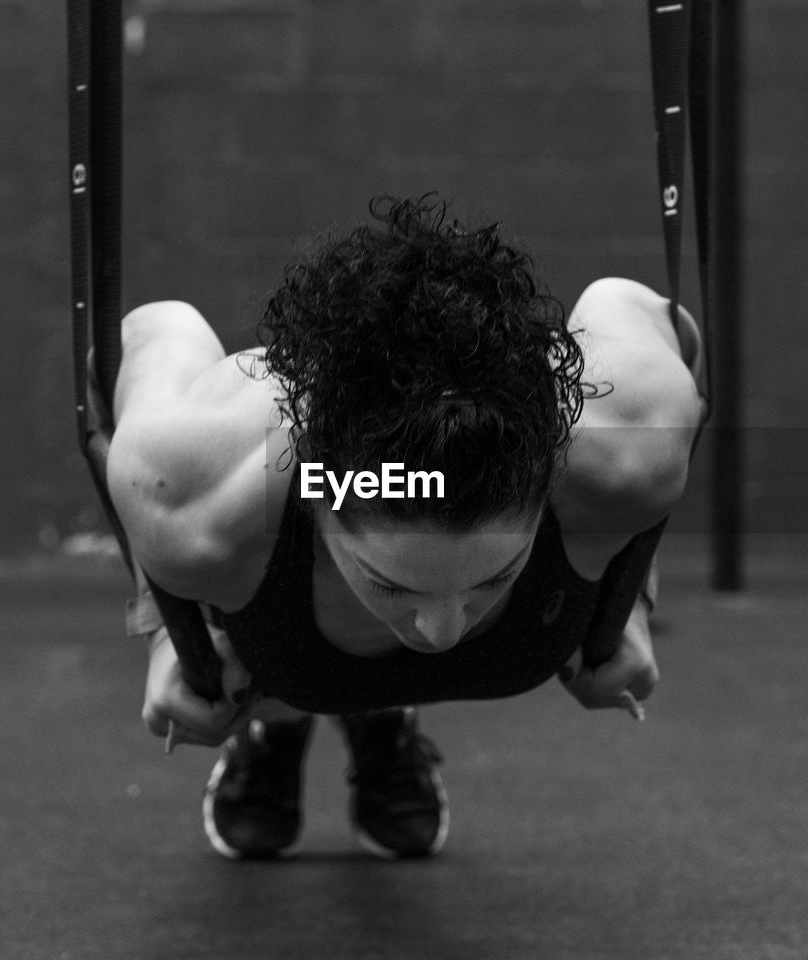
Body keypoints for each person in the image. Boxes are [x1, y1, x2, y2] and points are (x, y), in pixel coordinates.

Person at [105, 195, 705, 860]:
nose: (444, 634)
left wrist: (629, 596)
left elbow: (653, 319)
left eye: (495, 578)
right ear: (321, 500)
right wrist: (169, 628)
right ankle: (274, 727)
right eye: (393, 586)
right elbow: (148, 334)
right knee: (253, 611)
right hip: (278, 560)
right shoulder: (193, 497)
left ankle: (375, 707)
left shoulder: (626, 453)